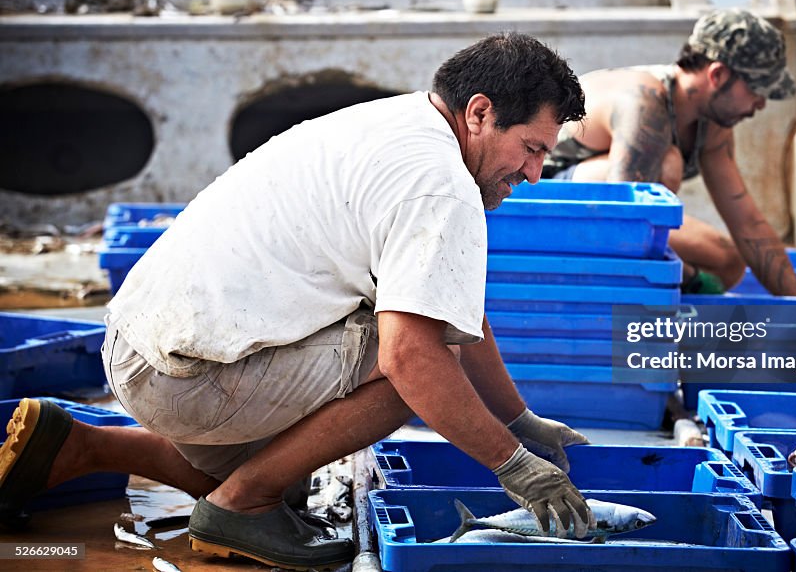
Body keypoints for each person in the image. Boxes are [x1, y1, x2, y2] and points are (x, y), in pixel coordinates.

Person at [0, 32, 596, 569]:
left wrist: (520, 422)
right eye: (532, 148)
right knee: (410, 371)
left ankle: (82, 446)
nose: (536, 173)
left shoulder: (401, 121)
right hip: (185, 374)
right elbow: (416, 356)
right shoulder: (440, 185)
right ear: (481, 112)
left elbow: (450, 306)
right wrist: (511, 463)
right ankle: (242, 504)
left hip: (143, 345)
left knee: (300, 458)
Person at [542, 8, 796, 296]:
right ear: (717, 75)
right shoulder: (644, 101)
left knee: (728, 263)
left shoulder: (713, 122)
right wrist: (690, 276)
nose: (761, 104)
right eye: (757, 90)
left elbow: (748, 224)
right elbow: (625, 219)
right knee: (668, 165)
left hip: (599, 213)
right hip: (533, 205)